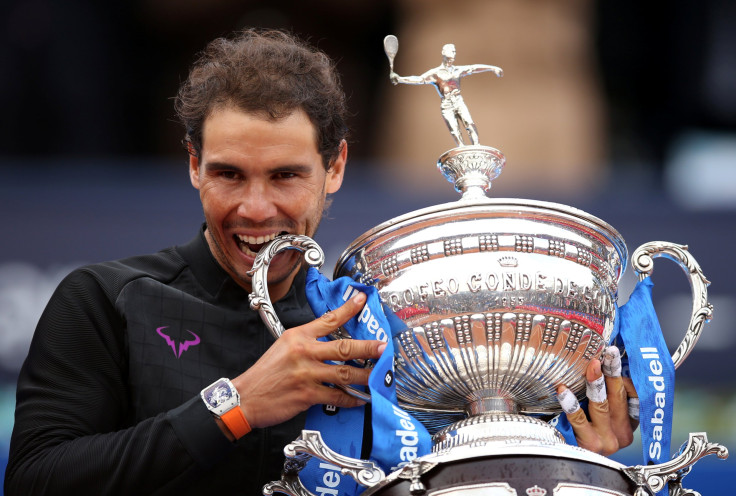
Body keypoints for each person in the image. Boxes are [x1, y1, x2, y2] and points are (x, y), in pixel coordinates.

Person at [4, 29, 635, 496]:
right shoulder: (107, 299)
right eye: (228, 174)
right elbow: (35, 482)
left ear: (334, 169)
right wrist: (237, 405)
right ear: (193, 164)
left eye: (285, 176)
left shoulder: (387, 336)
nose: (255, 208)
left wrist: (568, 460)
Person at [390, 43, 503, 146]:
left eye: (454, 51)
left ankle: (476, 146)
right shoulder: (435, 73)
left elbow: (473, 68)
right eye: (451, 50)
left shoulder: (457, 70)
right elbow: (419, 79)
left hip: (458, 100)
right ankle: (461, 149)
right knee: (454, 130)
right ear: (443, 52)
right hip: (447, 104)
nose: (454, 52)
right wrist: (400, 79)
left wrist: (493, 68)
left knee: (469, 123)